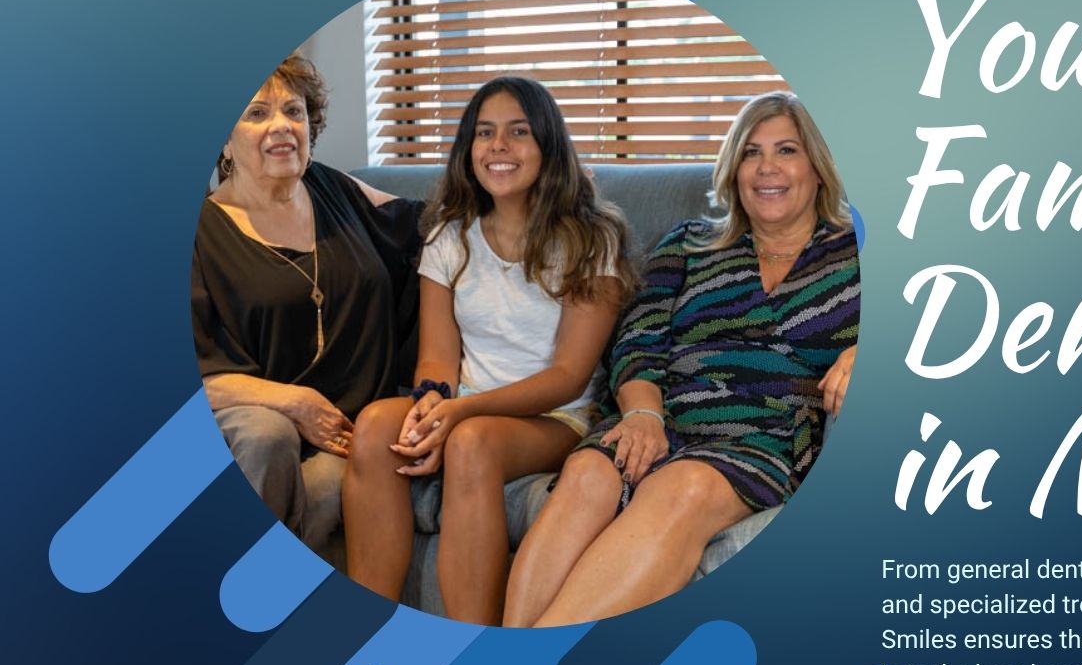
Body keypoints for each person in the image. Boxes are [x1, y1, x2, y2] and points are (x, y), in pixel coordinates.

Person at [503, 91, 859, 628]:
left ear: (816, 164)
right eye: (750, 153)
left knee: (682, 486)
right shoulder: (689, 245)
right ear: (733, 168)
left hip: (763, 434)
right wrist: (643, 415)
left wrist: (864, 349)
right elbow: (637, 341)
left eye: (786, 150)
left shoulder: (855, 255)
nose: (766, 168)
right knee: (587, 475)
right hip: (662, 415)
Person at [342, 77, 636, 625]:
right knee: (379, 425)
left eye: (518, 132)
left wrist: (460, 414)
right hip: (466, 402)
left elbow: (569, 376)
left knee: (472, 443)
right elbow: (436, 359)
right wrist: (433, 407)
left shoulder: (593, 241)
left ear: (548, 147)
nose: (498, 146)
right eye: (485, 133)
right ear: (467, 150)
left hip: (553, 417)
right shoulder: (450, 235)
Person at [193, 54, 420, 549]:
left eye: (293, 112)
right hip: (255, 412)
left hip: (348, 426)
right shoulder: (199, 233)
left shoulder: (331, 187)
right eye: (256, 114)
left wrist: (541, 194)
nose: (281, 127)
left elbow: (426, 219)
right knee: (266, 436)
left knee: (325, 491)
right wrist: (293, 402)